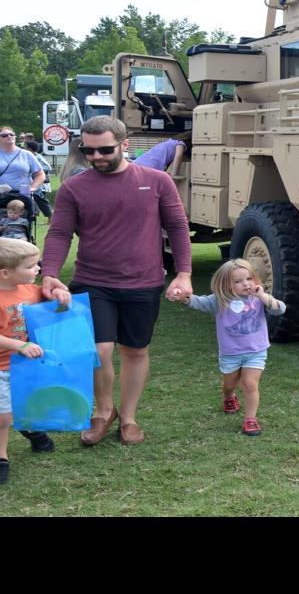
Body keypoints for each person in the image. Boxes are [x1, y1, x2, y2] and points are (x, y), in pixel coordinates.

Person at [39, 115, 194, 447]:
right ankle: (103, 411)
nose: (96, 158)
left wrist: (184, 274)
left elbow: (178, 228)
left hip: (144, 281)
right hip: (93, 280)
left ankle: (129, 418)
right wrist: (49, 273)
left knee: (135, 350)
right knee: (99, 350)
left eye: (104, 150)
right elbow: (60, 233)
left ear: (125, 145)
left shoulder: (156, 181)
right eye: (88, 151)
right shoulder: (73, 188)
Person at [0, 237, 72, 485]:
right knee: (1, 417)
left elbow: (52, 296)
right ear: (5, 273)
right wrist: (19, 345)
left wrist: (60, 291)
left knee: (30, 406)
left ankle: (32, 430)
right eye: (31, 266)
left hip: (28, 368)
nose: (37, 270)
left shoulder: (30, 290)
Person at [174, 259, 287, 437]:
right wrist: (184, 298)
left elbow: (279, 309)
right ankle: (229, 397)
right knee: (229, 385)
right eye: (238, 281)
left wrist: (263, 296)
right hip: (231, 353)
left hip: (256, 351)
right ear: (226, 284)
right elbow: (199, 302)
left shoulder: (259, 298)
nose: (246, 284)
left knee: (250, 384)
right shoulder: (220, 300)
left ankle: (250, 419)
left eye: (249, 278)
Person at [0, 126, 45, 202]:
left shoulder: (27, 154)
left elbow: (40, 175)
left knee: (22, 213)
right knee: (2, 213)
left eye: (11, 134)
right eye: (4, 135)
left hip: (23, 196)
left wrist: (32, 188)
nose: (9, 136)